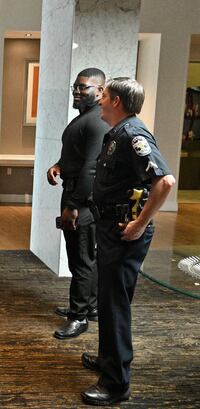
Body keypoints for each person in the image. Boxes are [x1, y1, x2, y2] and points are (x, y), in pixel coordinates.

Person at [80, 77, 176, 406]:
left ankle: (116, 383)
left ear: (116, 101)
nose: (99, 99)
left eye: (103, 95)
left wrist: (140, 223)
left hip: (124, 233)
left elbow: (165, 182)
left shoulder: (133, 135)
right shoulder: (119, 133)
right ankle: (111, 359)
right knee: (109, 303)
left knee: (114, 306)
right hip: (112, 229)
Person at [46, 68, 110, 339]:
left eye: (83, 87)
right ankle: (90, 307)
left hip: (81, 199)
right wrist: (59, 165)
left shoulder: (97, 121)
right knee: (86, 258)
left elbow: (91, 168)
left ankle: (79, 317)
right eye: (75, 86)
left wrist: (73, 205)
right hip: (74, 191)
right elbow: (79, 156)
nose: (77, 91)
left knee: (81, 260)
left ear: (100, 91)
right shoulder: (85, 118)